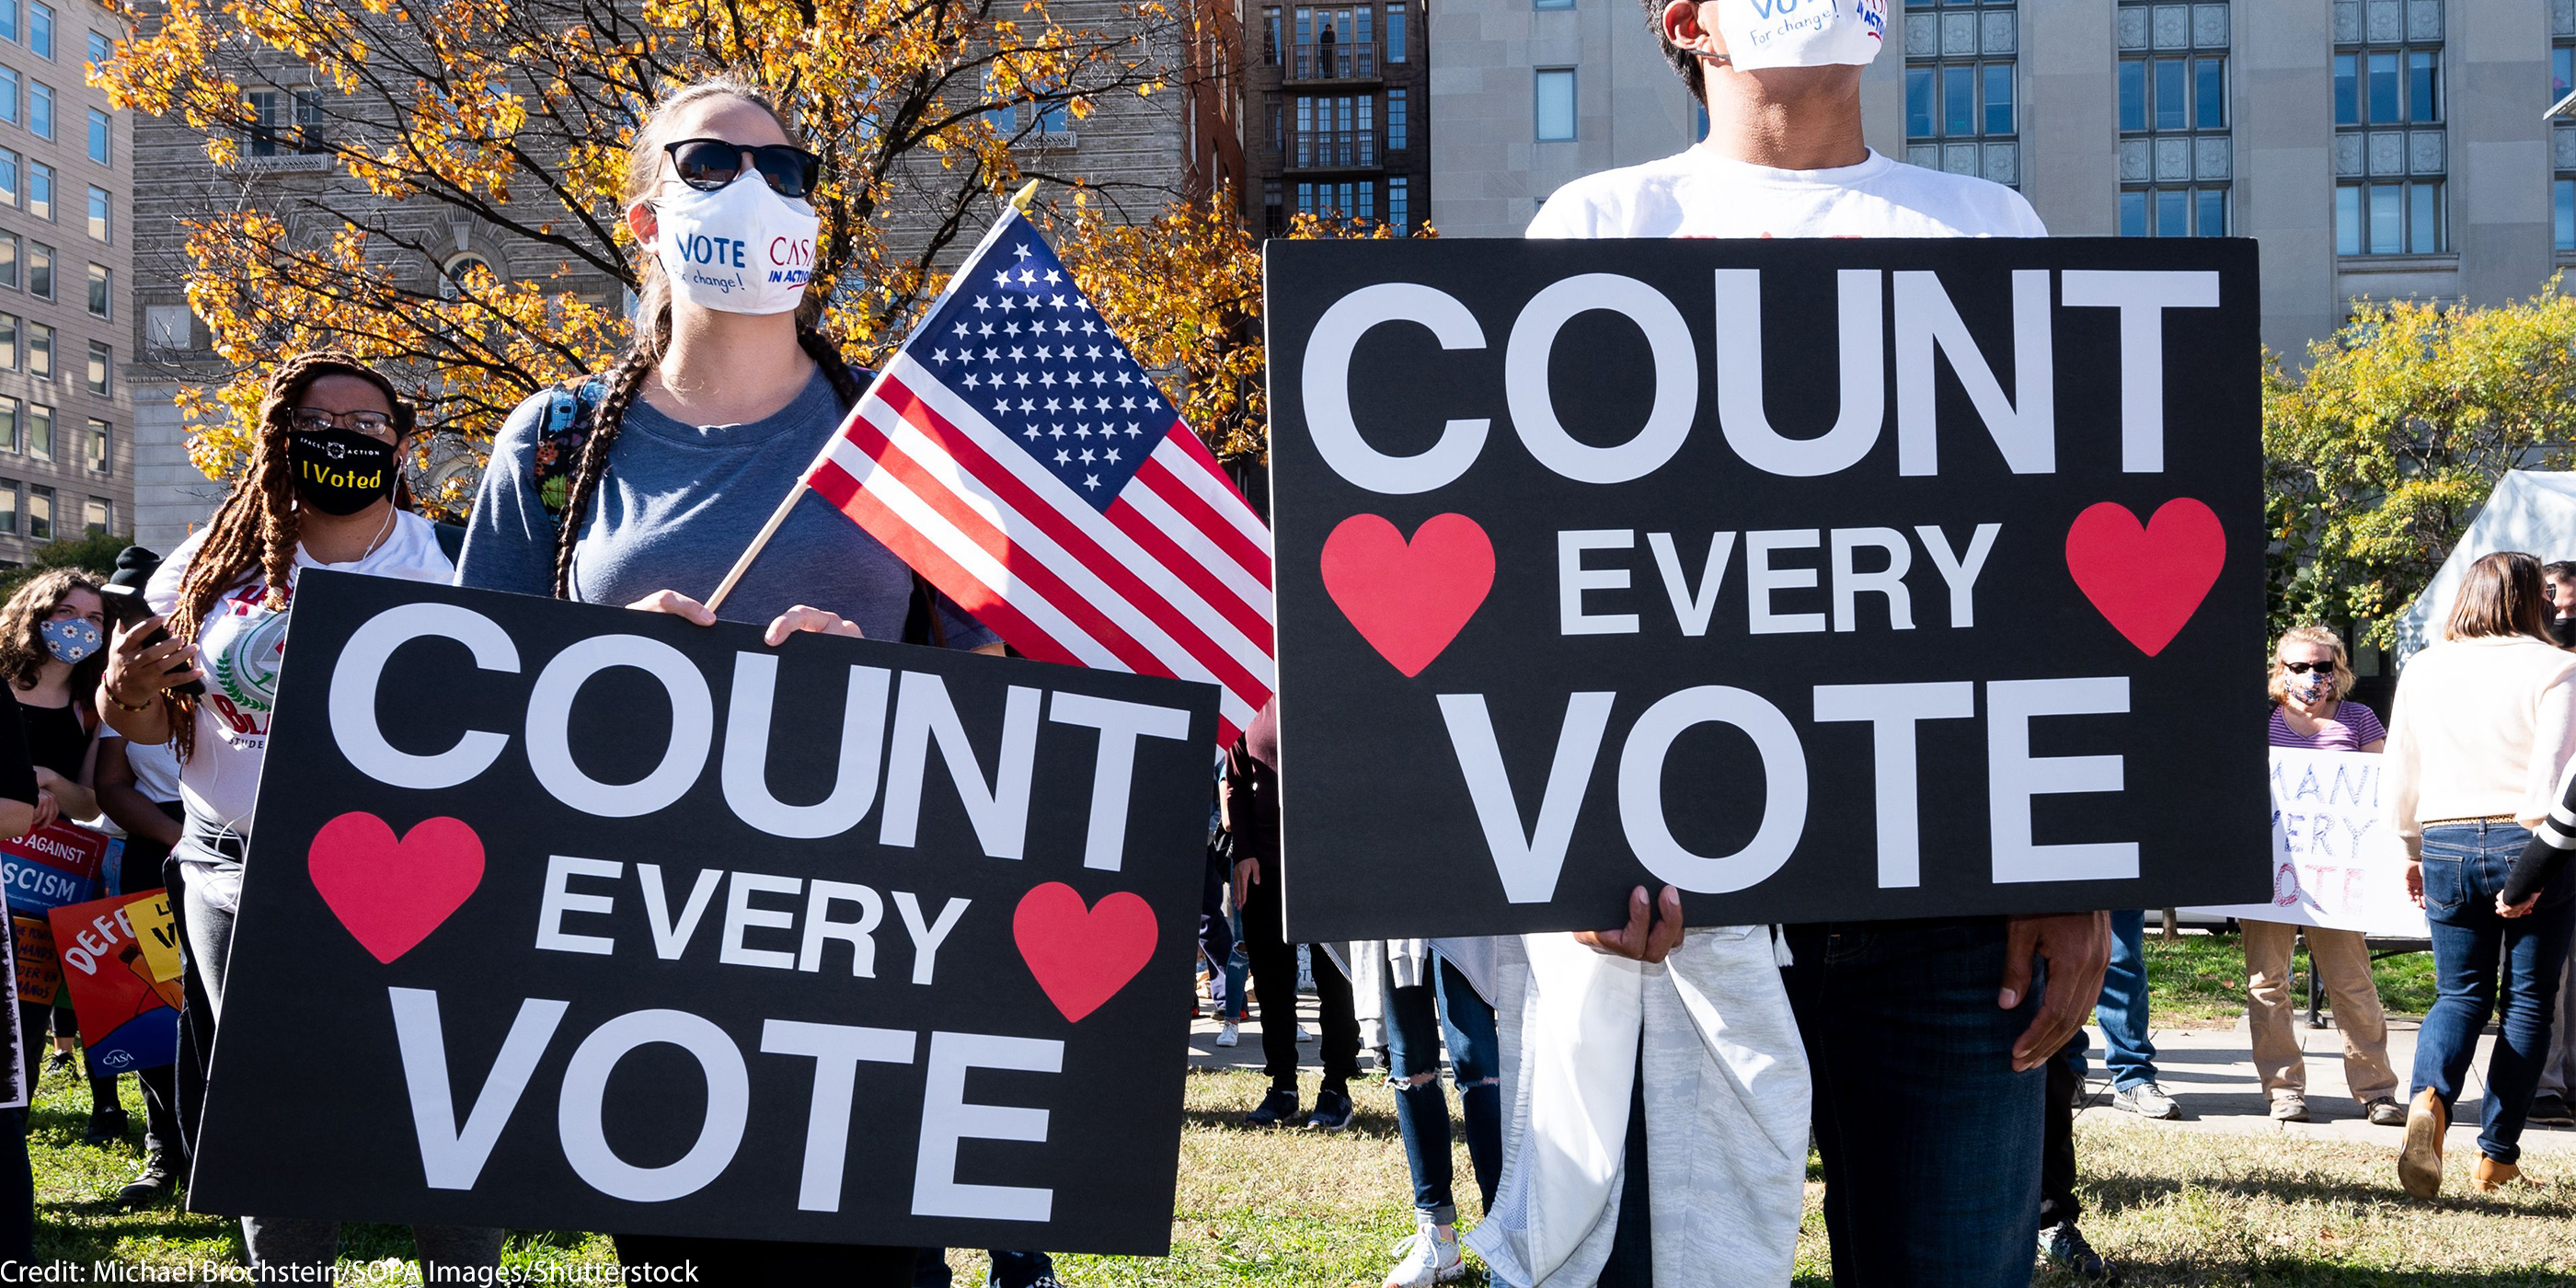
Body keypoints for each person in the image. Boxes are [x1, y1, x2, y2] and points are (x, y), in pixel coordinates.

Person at [1474, 4, 2112, 1284]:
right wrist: (1578, 860)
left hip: (1952, 907)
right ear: (1687, 23)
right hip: (1677, 901)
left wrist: (2073, 871)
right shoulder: (1599, 225)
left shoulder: (1984, 226)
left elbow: (2046, 577)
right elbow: (1544, 570)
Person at [454, 70, 999, 1284]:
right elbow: (470, 709)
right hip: (639, 990)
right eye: (711, 164)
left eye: (786, 170)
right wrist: (604, 675)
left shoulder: (905, 439)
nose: (756, 190)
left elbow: (995, 706)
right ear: (645, 219)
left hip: (863, 974)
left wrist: (872, 687)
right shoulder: (549, 446)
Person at [98, 351, 507, 1280]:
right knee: (278, 1115)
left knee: (440, 1099)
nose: (345, 439)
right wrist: (122, 693)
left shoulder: (458, 560)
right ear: (278, 442)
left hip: (430, 875)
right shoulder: (204, 571)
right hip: (241, 872)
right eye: (320, 421)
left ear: (404, 444)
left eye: (367, 424)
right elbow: (141, 723)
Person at [2384, 551, 2576, 1196]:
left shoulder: (2425, 667)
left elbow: (2400, 767)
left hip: (2443, 838)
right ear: (2532, 599)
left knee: (2458, 993)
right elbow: (2553, 777)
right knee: (2527, 1003)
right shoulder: (2558, 667)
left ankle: (2429, 1102)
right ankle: (2497, 1154)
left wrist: (2410, 846)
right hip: (2531, 840)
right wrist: (2539, 865)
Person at [2248, 626, 2403, 1127]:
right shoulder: (2260, 721)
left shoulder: (2359, 718)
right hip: (2269, 874)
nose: (2312, 676)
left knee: (2352, 982)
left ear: (2339, 670)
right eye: (2299, 667)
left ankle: (2376, 1089)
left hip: (2338, 878)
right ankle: (2283, 1089)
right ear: (2280, 672)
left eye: (2323, 666)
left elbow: (2381, 786)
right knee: (2267, 983)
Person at [0, 570, 113, 1142]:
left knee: (25, 1014)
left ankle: (11, 1138)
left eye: (94, 619)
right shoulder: (0, 684)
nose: (80, 628)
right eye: (68, 613)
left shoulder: (90, 706)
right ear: (38, 615)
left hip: (49, 877)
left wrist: (47, 782)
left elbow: (91, 800)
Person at [1225, 697, 1361, 1130]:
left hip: (1328, 863)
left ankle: (1336, 1087)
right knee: (1271, 984)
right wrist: (1243, 852)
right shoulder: (1246, 695)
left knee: (1334, 981)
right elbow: (1235, 780)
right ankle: (1283, 1086)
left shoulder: (1331, 687)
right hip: (1263, 866)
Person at [1344, 938, 1499, 1288]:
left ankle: (1502, 1234)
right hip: (1393, 903)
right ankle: (1437, 1235)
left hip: (1459, 904)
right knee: (1412, 1068)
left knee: (1478, 1062)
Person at [2536, 558, 2576, 1128]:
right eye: (2556, 609)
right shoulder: (2531, 669)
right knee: (2550, 971)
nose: (2565, 618)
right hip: (2541, 836)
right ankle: (2543, 1085)